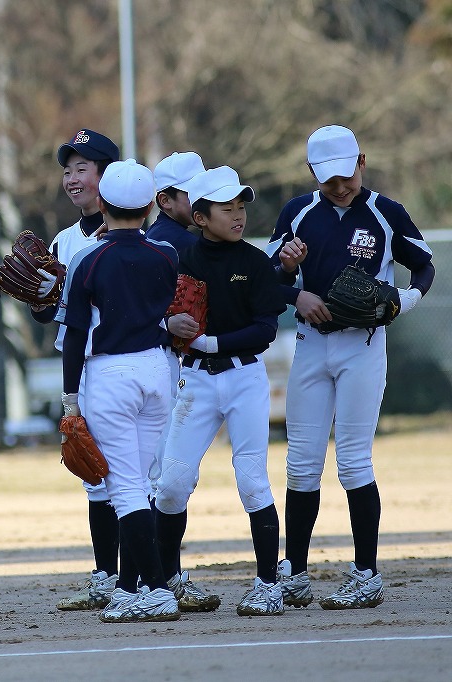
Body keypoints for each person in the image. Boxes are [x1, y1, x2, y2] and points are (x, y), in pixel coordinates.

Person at [267, 125, 435, 609]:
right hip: (310, 344)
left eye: (345, 175)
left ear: (361, 160)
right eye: (328, 180)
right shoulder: (297, 212)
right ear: (312, 174)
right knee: (301, 465)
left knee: (354, 460)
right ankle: (295, 573)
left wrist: (405, 300)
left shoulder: (386, 212)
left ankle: (366, 575)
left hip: (363, 346)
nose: (339, 187)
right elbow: (267, 279)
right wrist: (290, 278)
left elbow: (424, 265)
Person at [156, 166, 288, 616]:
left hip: (244, 377)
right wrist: (168, 324)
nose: (238, 216)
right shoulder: (182, 260)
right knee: (171, 484)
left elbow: (265, 329)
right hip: (194, 378)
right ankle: (168, 580)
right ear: (200, 216)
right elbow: (160, 313)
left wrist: (211, 341)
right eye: (226, 208)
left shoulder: (253, 262)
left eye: (241, 207)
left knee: (252, 481)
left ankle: (269, 583)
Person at [56, 159, 180, 623]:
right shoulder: (166, 254)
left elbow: (73, 335)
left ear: (102, 204)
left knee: (123, 490)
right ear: (150, 206)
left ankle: (157, 590)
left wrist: (71, 398)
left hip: (111, 374)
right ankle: (131, 587)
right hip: (155, 370)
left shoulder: (89, 258)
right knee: (141, 484)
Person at [28, 129, 124, 611]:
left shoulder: (129, 232)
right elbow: (48, 315)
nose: (71, 178)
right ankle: (107, 574)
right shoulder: (63, 241)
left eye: (82, 168)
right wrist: (39, 298)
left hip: (122, 361)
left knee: (137, 472)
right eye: (67, 170)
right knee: (93, 470)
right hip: (78, 364)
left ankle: (151, 573)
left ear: (107, 175)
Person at [145, 151, 222, 612]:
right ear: (164, 199)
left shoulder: (180, 238)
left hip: (168, 367)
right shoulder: (170, 243)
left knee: (167, 479)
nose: (203, 200)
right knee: (166, 479)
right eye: (192, 192)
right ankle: (163, 577)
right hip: (167, 368)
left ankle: (155, 575)